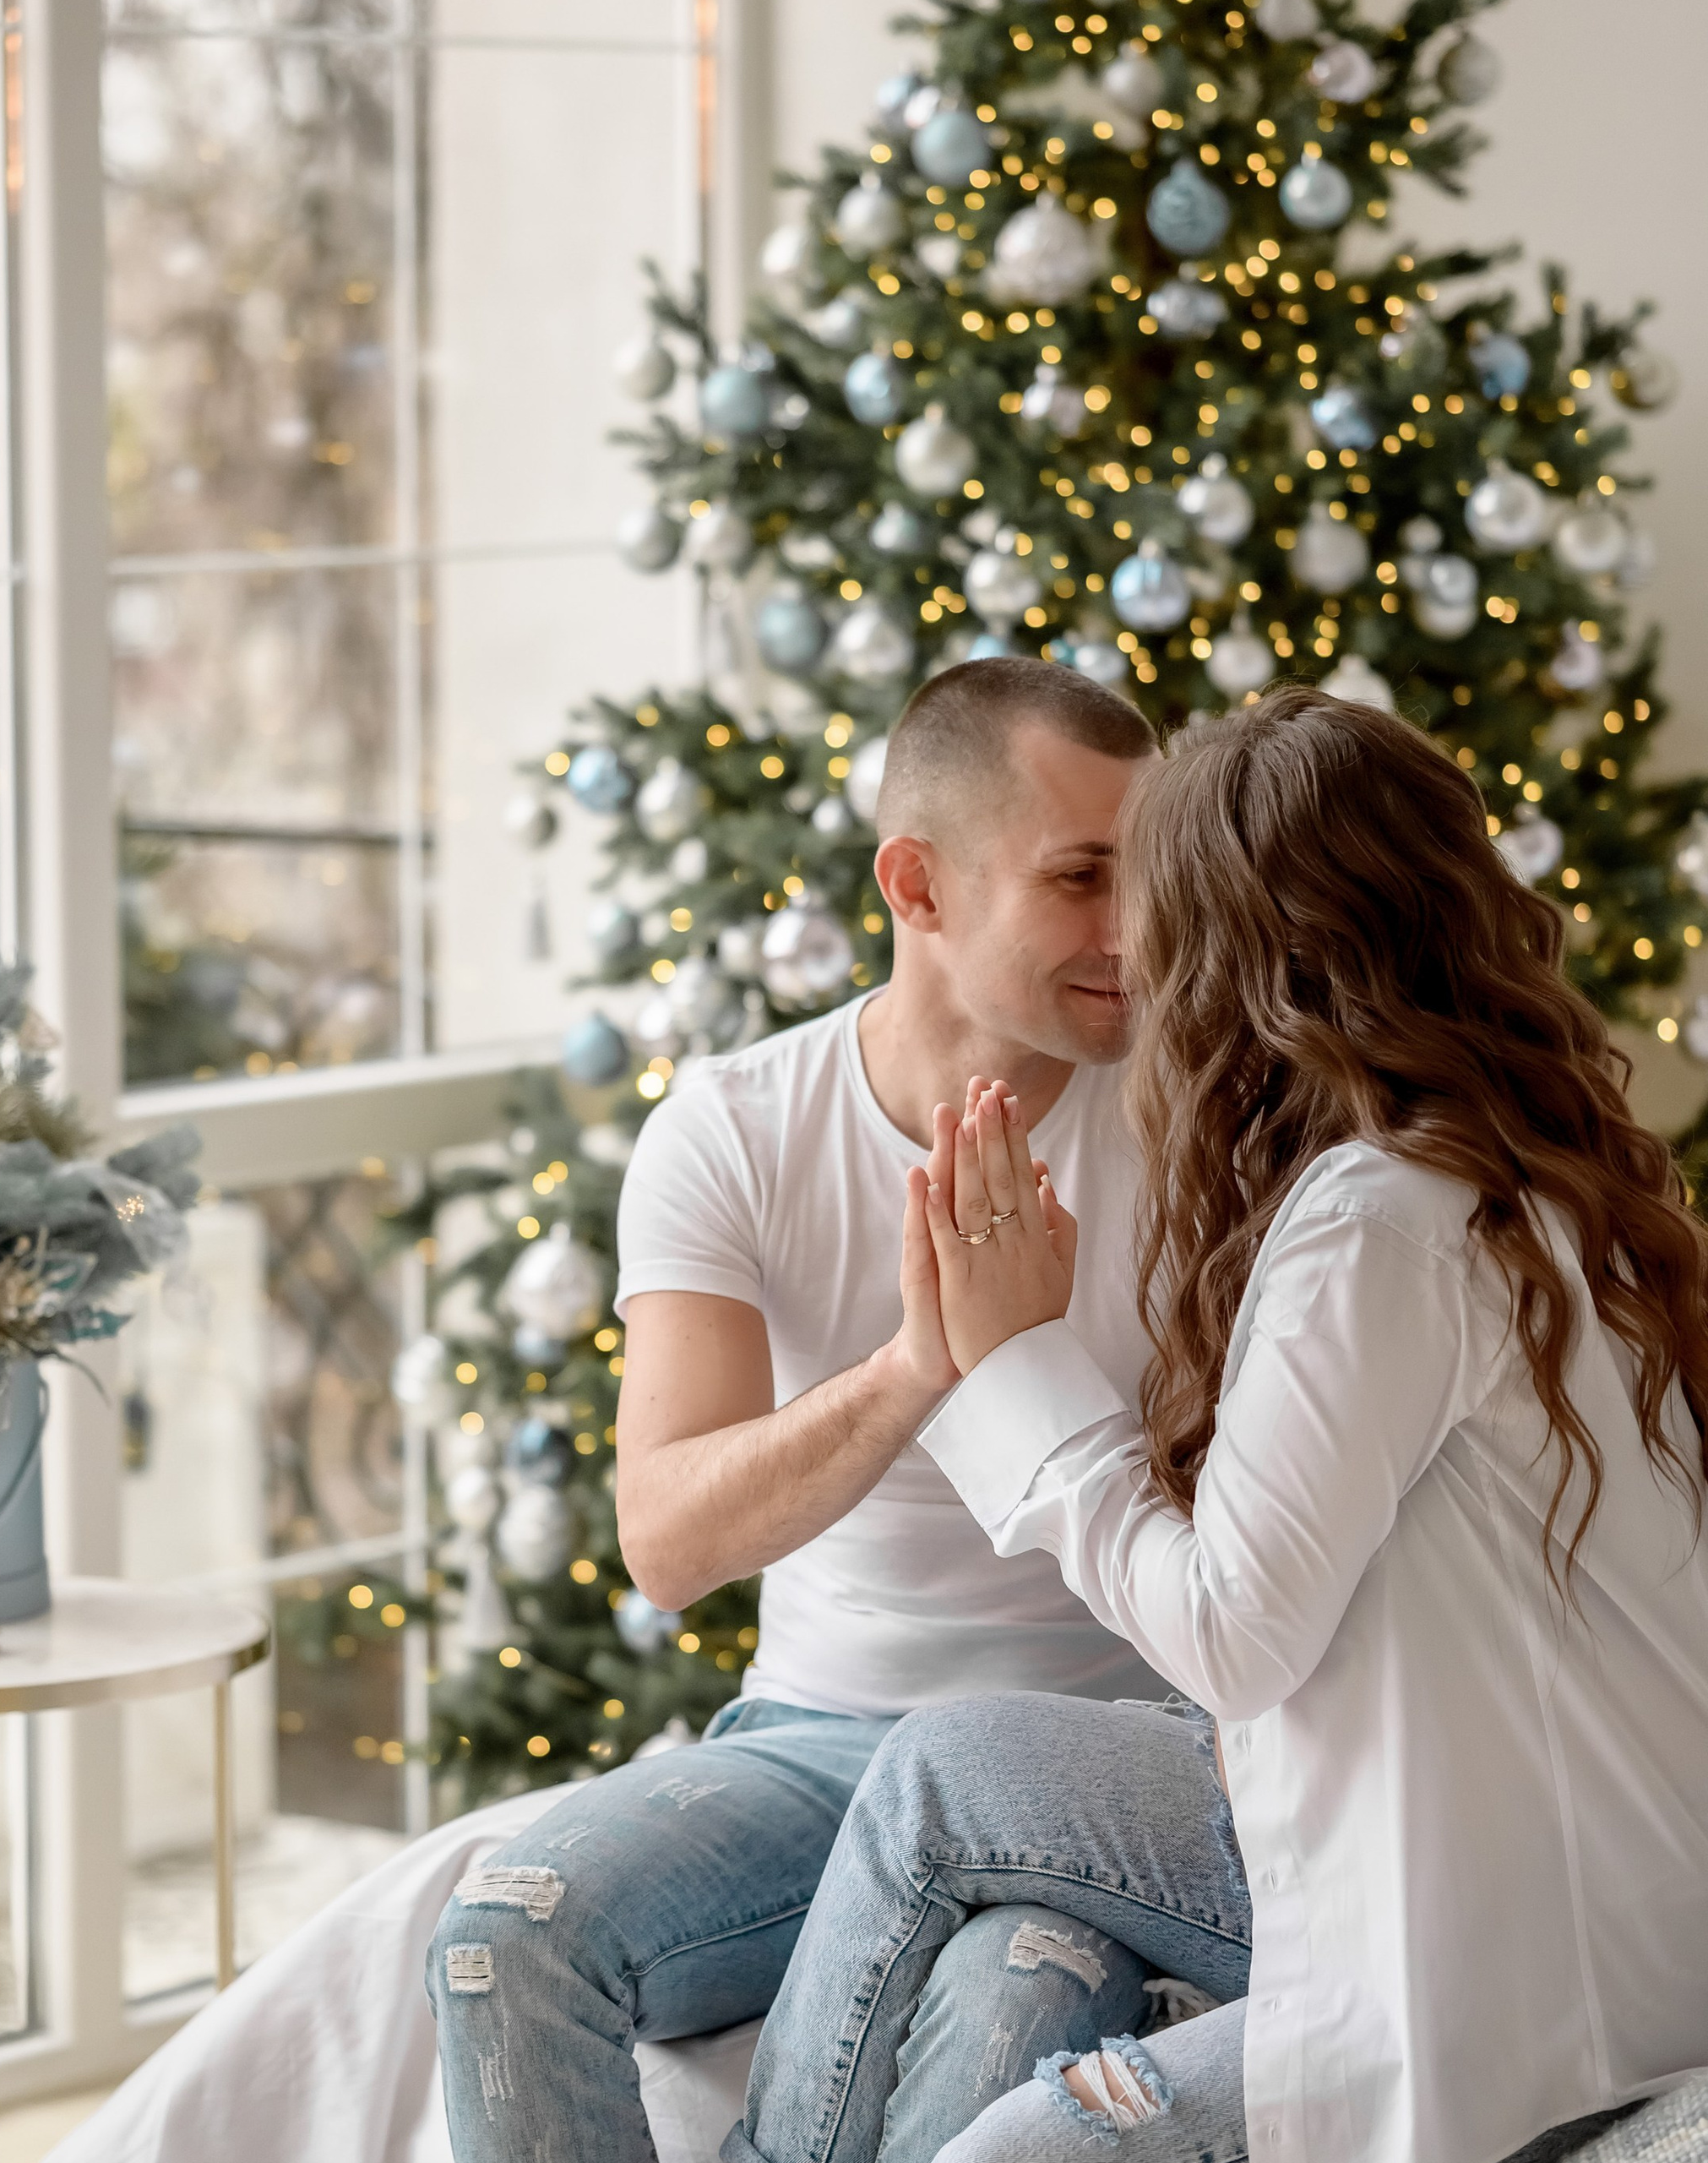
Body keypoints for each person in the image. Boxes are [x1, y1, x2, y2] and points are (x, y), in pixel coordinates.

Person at [723, 689, 1708, 2163]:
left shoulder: (1385, 1223)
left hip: (1513, 1970)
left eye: (1151, 912)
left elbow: (1235, 1633)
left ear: (1231, 951)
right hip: (1576, 1895)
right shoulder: (1530, 1171)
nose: (1125, 949)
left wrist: (1011, 1364)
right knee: (941, 1770)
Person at [422, 657, 1183, 2163]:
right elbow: (667, 1537)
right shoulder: (734, 1131)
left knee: (1009, 2007)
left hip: (1102, 1762)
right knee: (503, 1935)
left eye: (1150, 878)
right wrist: (924, 1364)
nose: (1137, 934)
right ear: (918, 886)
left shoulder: (1203, 1114)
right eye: (1085, 879)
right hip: (819, 1743)